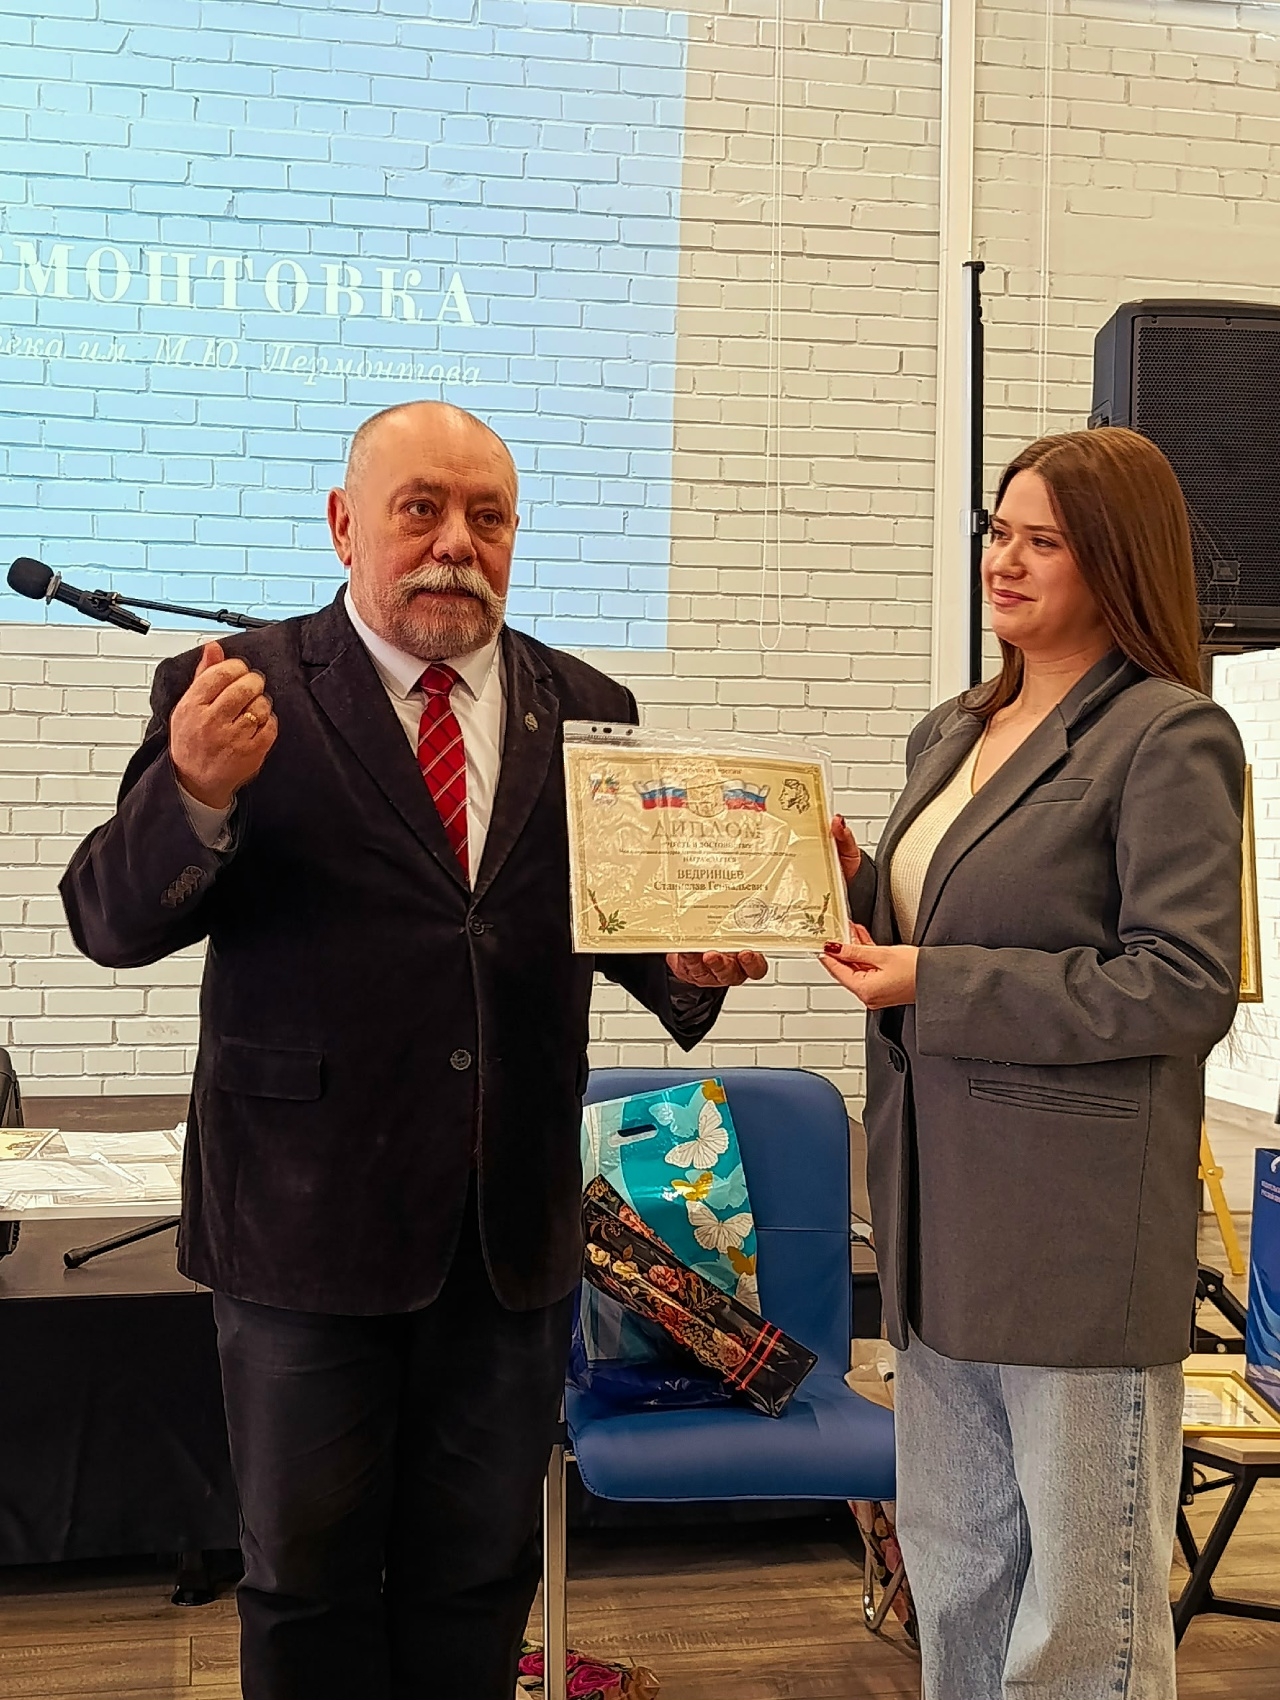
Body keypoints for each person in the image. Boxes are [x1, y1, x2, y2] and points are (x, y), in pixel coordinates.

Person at [59, 401, 767, 1700]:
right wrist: (195, 790)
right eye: (420, 509)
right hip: (301, 1231)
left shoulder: (590, 709)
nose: (456, 544)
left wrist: (686, 959)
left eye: (487, 517)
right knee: (306, 1586)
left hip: (510, 1237)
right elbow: (107, 920)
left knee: (477, 1580)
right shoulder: (235, 689)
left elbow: (623, 936)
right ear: (345, 525)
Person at [822, 427, 1243, 1699]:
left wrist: (934, 981)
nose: (1001, 560)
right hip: (933, 1223)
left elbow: (1179, 983)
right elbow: (940, 921)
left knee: (1079, 1624)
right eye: (996, 531)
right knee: (955, 1581)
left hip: (1071, 1242)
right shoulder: (951, 728)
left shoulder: (1168, 735)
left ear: (1113, 558)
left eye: (1041, 540)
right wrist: (838, 881)